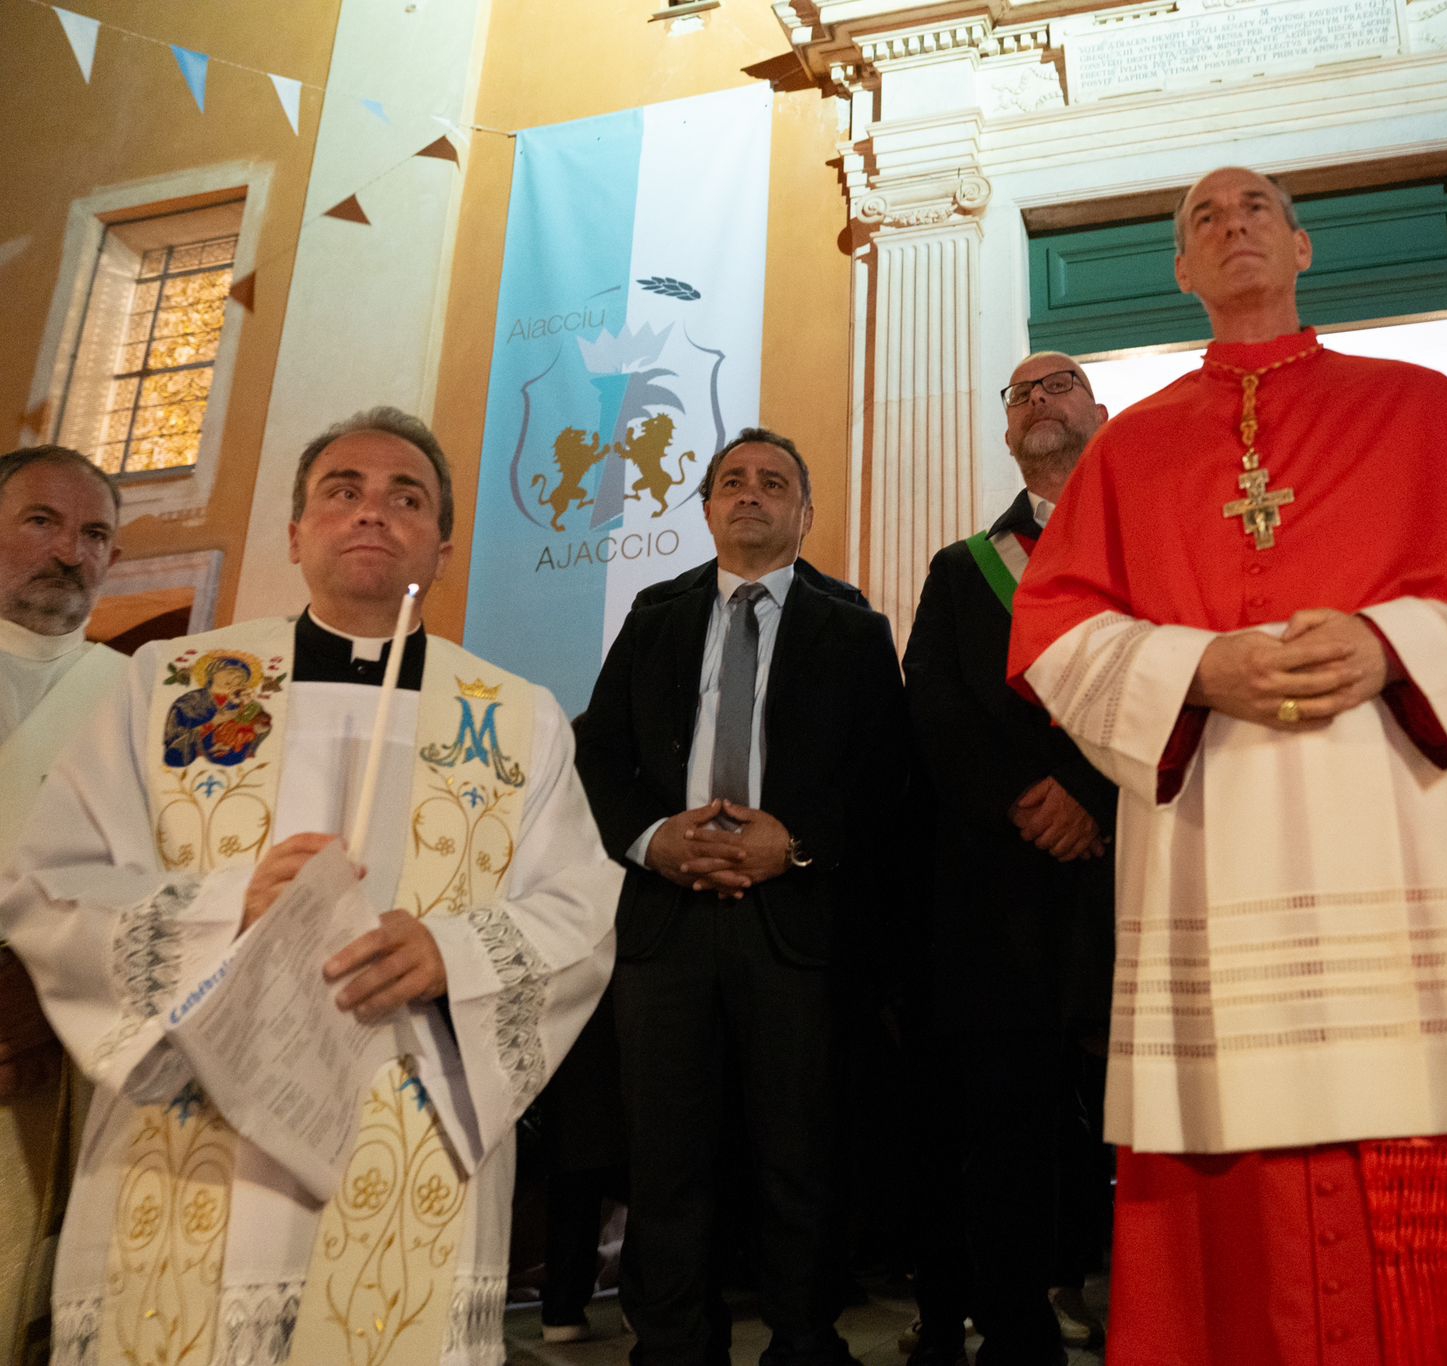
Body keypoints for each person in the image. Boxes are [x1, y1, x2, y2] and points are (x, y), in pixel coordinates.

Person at [1008, 165, 1447, 1366]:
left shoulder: (1426, 409)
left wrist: (1394, 646)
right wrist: (1195, 666)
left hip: (1402, 822)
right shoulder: (1126, 451)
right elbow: (1054, 636)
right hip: (1210, 835)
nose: (1231, 225)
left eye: (1256, 210)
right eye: (1202, 216)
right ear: (1178, 268)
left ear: (1301, 248)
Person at [0, 407, 621, 1365]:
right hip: (201, 1124)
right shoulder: (172, 683)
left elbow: (580, 909)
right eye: (343, 491)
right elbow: (54, 880)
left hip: (410, 1118)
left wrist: (450, 953)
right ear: (296, 534)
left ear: (443, 548)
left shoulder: (516, 716)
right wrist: (226, 909)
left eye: (406, 498)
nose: (372, 512)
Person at [576, 428, 906, 1366]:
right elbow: (599, 755)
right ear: (709, 509)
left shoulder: (853, 630)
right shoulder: (653, 616)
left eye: (773, 483)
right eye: (732, 481)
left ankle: (804, 1339)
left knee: (798, 1155)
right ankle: (673, 1344)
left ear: (805, 513)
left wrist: (790, 844)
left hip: (793, 926)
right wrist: (654, 838)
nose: (750, 494)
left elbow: (886, 779)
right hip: (666, 924)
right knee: (666, 1156)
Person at [901, 352, 1117, 1366]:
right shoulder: (961, 568)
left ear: (1099, 412)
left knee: (1141, 1111)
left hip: (1133, 862)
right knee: (1006, 1123)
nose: (1039, 398)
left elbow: (1178, 674)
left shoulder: (1150, 538)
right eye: (1022, 391)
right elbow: (935, 708)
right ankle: (1018, 1328)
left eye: (1059, 383)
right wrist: (1029, 799)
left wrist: (1094, 792)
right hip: (1003, 887)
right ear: (1005, 430)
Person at [0, 446, 127, 1363]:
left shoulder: (140, 696)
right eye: (41, 522)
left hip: (66, 1042)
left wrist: (43, 996)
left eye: (95, 535)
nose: (70, 554)